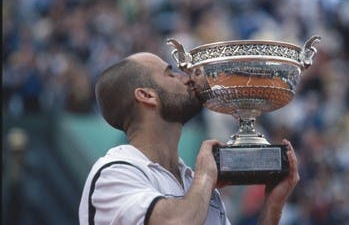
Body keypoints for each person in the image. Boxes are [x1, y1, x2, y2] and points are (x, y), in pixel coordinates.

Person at [78, 52, 300, 225]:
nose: (186, 79)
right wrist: (204, 178)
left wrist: (272, 205)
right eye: (170, 73)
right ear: (146, 95)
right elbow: (176, 222)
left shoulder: (194, 185)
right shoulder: (114, 173)